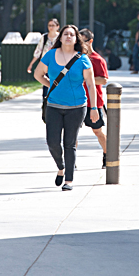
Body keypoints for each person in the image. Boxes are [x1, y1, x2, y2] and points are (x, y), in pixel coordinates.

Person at [33, 24, 99, 191]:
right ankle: (61, 167)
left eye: (72, 34)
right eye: (65, 34)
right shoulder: (50, 55)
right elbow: (37, 74)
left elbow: (91, 85)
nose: (68, 37)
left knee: (69, 143)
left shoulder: (83, 59)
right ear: (60, 38)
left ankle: (68, 179)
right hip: (54, 105)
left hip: (77, 107)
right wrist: (51, 86)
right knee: (52, 142)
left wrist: (94, 109)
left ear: (76, 39)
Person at [79, 28, 109, 168]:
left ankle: (107, 154)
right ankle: (70, 161)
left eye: (83, 41)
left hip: (94, 102)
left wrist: (87, 79)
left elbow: (103, 80)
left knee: (97, 131)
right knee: (72, 132)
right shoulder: (75, 57)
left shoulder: (98, 60)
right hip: (76, 101)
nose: (80, 45)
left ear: (90, 41)